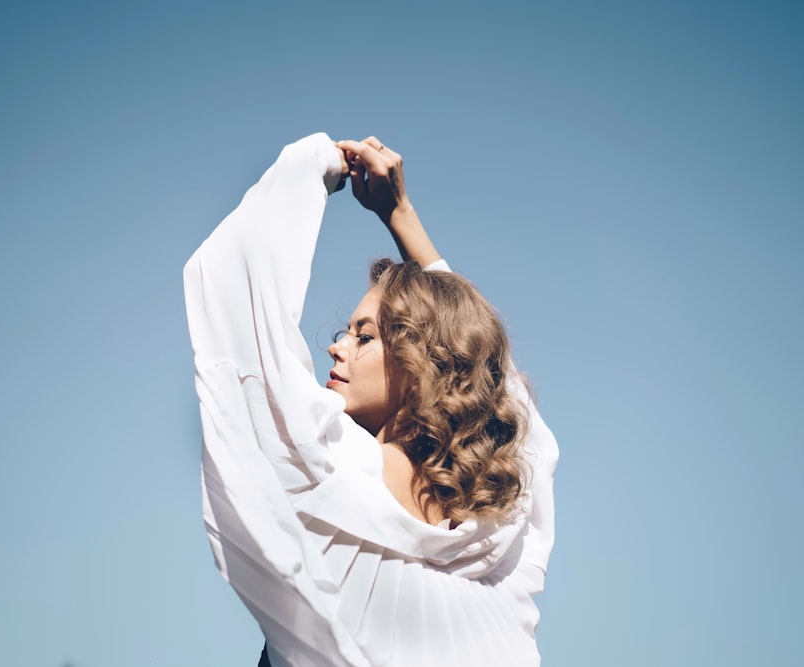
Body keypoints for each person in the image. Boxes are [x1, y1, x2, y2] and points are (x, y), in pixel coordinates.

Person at [183, 133, 558, 666]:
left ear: (422, 363)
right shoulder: (508, 537)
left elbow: (241, 315)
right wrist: (401, 215)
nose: (337, 345)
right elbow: (503, 387)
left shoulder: (327, 479)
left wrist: (315, 166)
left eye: (364, 336)